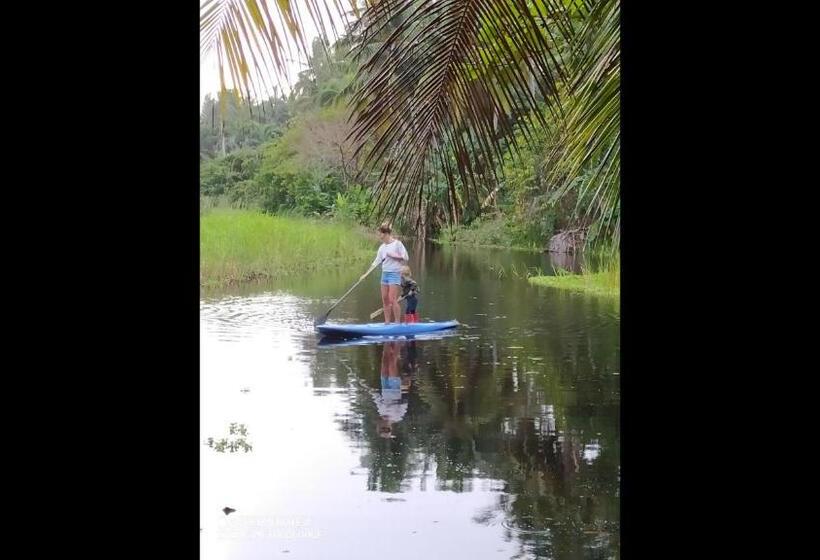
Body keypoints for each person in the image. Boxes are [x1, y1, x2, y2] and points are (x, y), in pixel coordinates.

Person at [362, 222, 409, 324]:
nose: (379, 236)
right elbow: (375, 263)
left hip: (394, 273)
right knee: (385, 299)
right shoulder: (382, 248)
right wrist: (366, 274)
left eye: (380, 234)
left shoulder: (397, 244)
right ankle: (387, 322)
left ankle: (397, 323)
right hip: (385, 274)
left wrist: (393, 256)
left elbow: (405, 258)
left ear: (386, 233)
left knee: (392, 299)